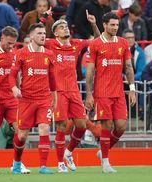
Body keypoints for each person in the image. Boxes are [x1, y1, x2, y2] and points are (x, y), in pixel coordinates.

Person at [44, 11, 100, 172]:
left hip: (74, 91)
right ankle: (60, 162)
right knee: (61, 126)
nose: (65, 29)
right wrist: (46, 18)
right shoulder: (50, 44)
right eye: (61, 27)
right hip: (58, 91)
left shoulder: (76, 43)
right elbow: (35, 35)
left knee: (82, 126)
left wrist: (93, 24)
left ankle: (68, 153)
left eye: (66, 26)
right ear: (55, 33)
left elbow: (97, 41)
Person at [85, 12, 136, 173]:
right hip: (102, 92)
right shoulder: (96, 44)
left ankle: (103, 151)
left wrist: (132, 89)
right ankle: (105, 163)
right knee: (106, 125)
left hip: (119, 92)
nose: (115, 27)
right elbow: (90, 71)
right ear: (105, 25)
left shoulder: (123, 43)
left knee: (121, 126)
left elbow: (128, 67)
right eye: (112, 25)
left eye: (117, 25)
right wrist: (89, 93)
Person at [9, 23, 57, 174]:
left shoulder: (49, 54)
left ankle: (43, 166)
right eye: (39, 33)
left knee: (44, 128)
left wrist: (54, 96)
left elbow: (52, 78)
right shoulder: (21, 53)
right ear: (31, 36)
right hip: (26, 99)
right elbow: (11, 74)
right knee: (22, 135)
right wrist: (14, 88)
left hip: (44, 99)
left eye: (44, 33)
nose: (43, 36)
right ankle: (16, 163)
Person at [0, 26, 30, 174]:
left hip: (11, 98)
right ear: (2, 38)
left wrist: (19, 89)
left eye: (13, 44)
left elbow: (16, 74)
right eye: (9, 43)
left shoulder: (14, 54)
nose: (11, 46)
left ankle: (17, 163)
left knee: (21, 129)